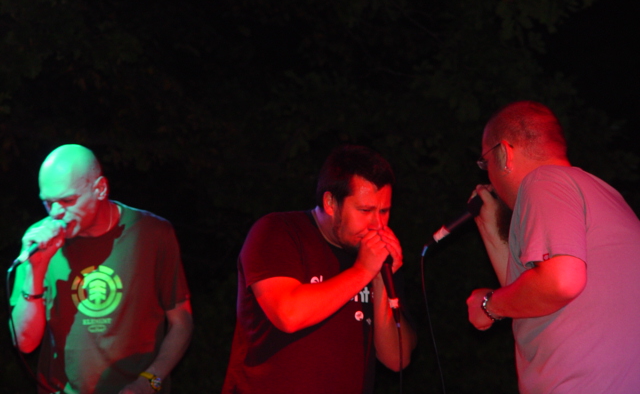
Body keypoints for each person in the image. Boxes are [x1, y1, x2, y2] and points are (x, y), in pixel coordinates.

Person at [466, 101, 640, 393]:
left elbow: (561, 282)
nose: (488, 176)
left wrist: (489, 305)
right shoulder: (605, 194)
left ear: (504, 153)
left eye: (486, 163)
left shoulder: (543, 180)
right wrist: (489, 229)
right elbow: (533, 297)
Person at [222, 145, 417, 394]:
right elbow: (288, 314)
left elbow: (397, 359)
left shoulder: (374, 257)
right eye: (365, 210)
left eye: (384, 211)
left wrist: (379, 279)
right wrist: (362, 271)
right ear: (330, 203)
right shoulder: (278, 230)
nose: (377, 225)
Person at [9, 144, 193, 394]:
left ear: (100, 189)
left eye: (68, 200)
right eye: (48, 203)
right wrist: (36, 271)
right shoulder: (38, 242)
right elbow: (25, 343)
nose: (57, 213)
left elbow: (181, 322)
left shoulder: (153, 234)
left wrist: (151, 380)